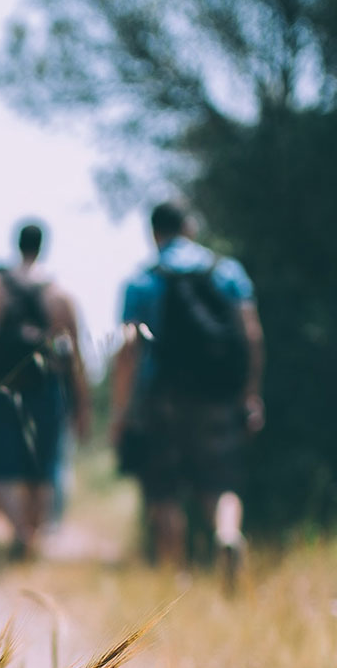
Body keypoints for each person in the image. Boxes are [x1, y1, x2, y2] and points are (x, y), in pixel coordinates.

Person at [109, 200, 265, 582]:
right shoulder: (226, 272)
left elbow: (129, 351)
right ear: (190, 227)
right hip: (217, 393)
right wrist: (250, 393)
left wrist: (121, 412)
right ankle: (227, 534)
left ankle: (175, 577)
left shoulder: (142, 280)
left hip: (161, 397)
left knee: (164, 489)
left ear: (153, 232)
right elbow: (252, 335)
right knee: (220, 479)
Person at [0, 222, 91, 559]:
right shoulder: (60, 295)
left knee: (3, 465)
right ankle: (32, 535)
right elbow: (75, 358)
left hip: (0, 387)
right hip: (46, 389)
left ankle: (20, 531)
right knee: (41, 466)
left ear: (16, 245)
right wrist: (82, 407)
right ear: (43, 246)